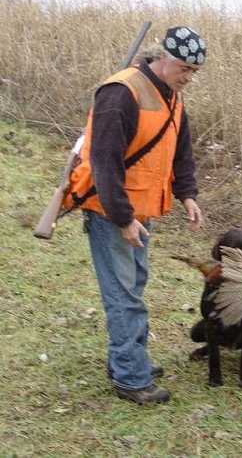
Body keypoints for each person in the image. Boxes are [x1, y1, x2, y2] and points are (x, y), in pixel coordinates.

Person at [67, 26, 207, 404]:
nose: (189, 77)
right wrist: (123, 217)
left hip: (142, 210)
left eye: (195, 71)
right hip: (113, 211)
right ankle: (130, 377)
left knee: (134, 285)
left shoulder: (171, 96)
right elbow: (104, 162)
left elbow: (181, 150)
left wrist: (187, 194)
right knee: (124, 294)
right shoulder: (121, 93)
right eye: (184, 68)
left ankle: (128, 358)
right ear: (162, 57)